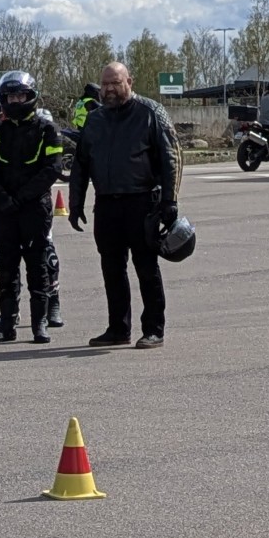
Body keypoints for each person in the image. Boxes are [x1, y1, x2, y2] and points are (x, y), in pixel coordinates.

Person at [68, 62, 180, 348]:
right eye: (105, 84)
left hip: (142, 203)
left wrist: (170, 201)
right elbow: (81, 163)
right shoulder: (94, 119)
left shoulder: (150, 112)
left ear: (129, 82)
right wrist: (75, 202)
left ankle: (154, 329)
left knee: (146, 267)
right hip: (106, 204)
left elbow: (171, 158)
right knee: (112, 268)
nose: (109, 89)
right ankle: (118, 328)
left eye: (115, 83)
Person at [0, 70, 63, 344]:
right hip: (4, 209)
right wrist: (2, 197)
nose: (15, 101)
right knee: (6, 266)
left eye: (20, 96)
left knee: (38, 266)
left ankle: (39, 324)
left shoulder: (47, 129)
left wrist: (22, 197)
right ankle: (6, 324)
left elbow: (52, 169)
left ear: (31, 96)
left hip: (35, 208)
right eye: (10, 97)